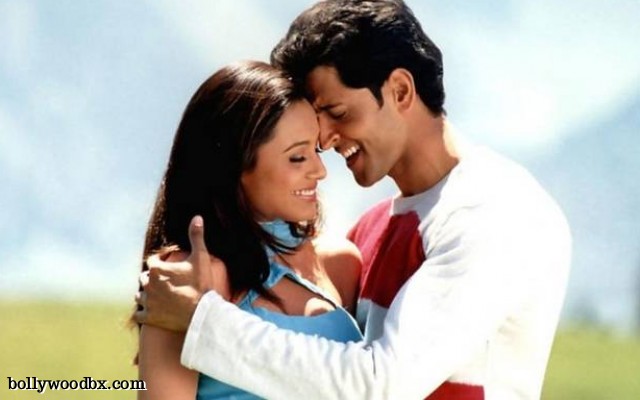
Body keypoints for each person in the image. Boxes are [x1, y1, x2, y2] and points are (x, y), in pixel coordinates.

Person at [136, 0, 572, 399]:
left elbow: (382, 384)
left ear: (400, 91)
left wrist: (203, 324)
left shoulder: (496, 214)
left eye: (338, 113)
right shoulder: (369, 232)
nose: (324, 139)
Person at [134, 60, 363, 399]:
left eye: (315, 150)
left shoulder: (340, 264)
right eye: (297, 157)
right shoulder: (187, 277)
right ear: (235, 167)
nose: (320, 171)